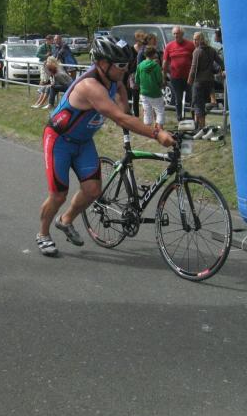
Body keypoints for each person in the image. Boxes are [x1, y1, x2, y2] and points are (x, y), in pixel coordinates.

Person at [36, 36, 175, 257]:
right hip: (59, 140)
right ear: (102, 63)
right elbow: (119, 118)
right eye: (121, 65)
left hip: (83, 142)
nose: (126, 69)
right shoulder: (90, 86)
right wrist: (156, 133)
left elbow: (120, 89)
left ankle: (65, 220)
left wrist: (124, 105)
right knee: (59, 195)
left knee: (93, 190)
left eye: (127, 64)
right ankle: (43, 233)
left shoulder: (113, 78)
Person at [187, 32, 223, 130]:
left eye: (196, 39)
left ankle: (201, 128)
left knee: (198, 104)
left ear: (201, 39)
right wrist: (221, 70)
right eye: (194, 39)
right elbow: (220, 62)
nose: (194, 41)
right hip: (209, 81)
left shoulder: (197, 51)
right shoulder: (212, 50)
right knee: (199, 104)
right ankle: (197, 125)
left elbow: (193, 68)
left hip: (199, 81)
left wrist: (189, 80)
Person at [162, 26, 195, 121]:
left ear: (182, 34)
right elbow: (165, 62)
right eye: (174, 34)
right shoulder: (169, 46)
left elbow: (196, 59)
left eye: (178, 33)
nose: (176, 35)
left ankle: (194, 118)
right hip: (175, 77)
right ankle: (179, 117)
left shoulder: (190, 45)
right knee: (178, 98)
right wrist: (163, 77)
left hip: (189, 76)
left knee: (192, 97)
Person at [137, 46, 166, 129]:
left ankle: (147, 131)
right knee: (160, 111)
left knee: (147, 112)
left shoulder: (140, 65)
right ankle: (159, 130)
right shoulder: (156, 66)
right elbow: (159, 80)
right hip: (156, 92)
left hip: (144, 92)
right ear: (154, 54)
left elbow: (137, 80)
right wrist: (162, 84)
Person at [31, 36, 54, 108]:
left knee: (47, 79)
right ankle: (40, 91)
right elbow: (37, 55)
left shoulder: (51, 46)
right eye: (51, 40)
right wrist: (45, 55)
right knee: (44, 79)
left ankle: (42, 93)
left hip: (48, 64)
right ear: (47, 40)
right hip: (42, 64)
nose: (52, 41)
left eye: (52, 40)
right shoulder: (42, 46)